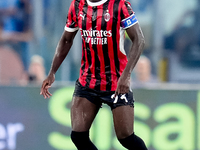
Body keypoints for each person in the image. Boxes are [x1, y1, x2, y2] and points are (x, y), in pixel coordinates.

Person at [40, 0, 147, 149]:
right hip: (88, 80)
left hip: (116, 81)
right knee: (78, 136)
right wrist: (52, 72)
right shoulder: (77, 6)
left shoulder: (120, 5)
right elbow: (66, 40)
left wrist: (126, 75)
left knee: (126, 138)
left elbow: (139, 40)